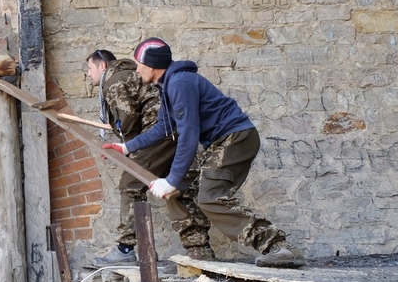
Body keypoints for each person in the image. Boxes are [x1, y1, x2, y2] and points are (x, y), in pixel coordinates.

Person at [104, 37, 306, 268]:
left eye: (139, 64)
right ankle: (199, 252)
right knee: (179, 191)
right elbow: (163, 127)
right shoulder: (168, 85)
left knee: (210, 196)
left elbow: (189, 134)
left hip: (236, 138)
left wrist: (170, 180)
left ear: (152, 66)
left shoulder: (180, 83)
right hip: (220, 142)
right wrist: (126, 147)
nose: (137, 70)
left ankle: (277, 246)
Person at [86, 49, 210, 266]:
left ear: (102, 66)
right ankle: (198, 249)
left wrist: (127, 148)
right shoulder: (130, 74)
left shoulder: (114, 79)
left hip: (158, 131)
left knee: (131, 184)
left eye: (89, 68)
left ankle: (125, 249)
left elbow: (127, 121)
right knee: (178, 188)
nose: (88, 75)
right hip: (174, 130)